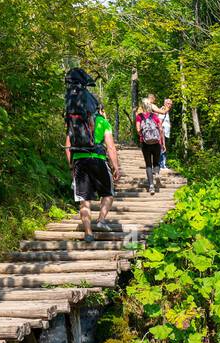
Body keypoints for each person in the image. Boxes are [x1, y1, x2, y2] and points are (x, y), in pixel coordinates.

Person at [64, 68, 121, 242]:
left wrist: (71, 164)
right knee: (108, 193)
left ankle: (88, 233)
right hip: (97, 159)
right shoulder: (103, 123)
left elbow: (68, 145)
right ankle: (101, 220)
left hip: (80, 160)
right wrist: (116, 167)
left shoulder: (73, 121)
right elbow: (110, 147)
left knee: (84, 199)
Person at [135, 95, 166, 195]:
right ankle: (156, 173)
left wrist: (142, 136)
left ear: (142, 106)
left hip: (145, 143)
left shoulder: (139, 116)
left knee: (148, 164)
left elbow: (138, 129)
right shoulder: (155, 116)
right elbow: (160, 129)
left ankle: (151, 186)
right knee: (156, 162)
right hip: (156, 143)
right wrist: (162, 143)